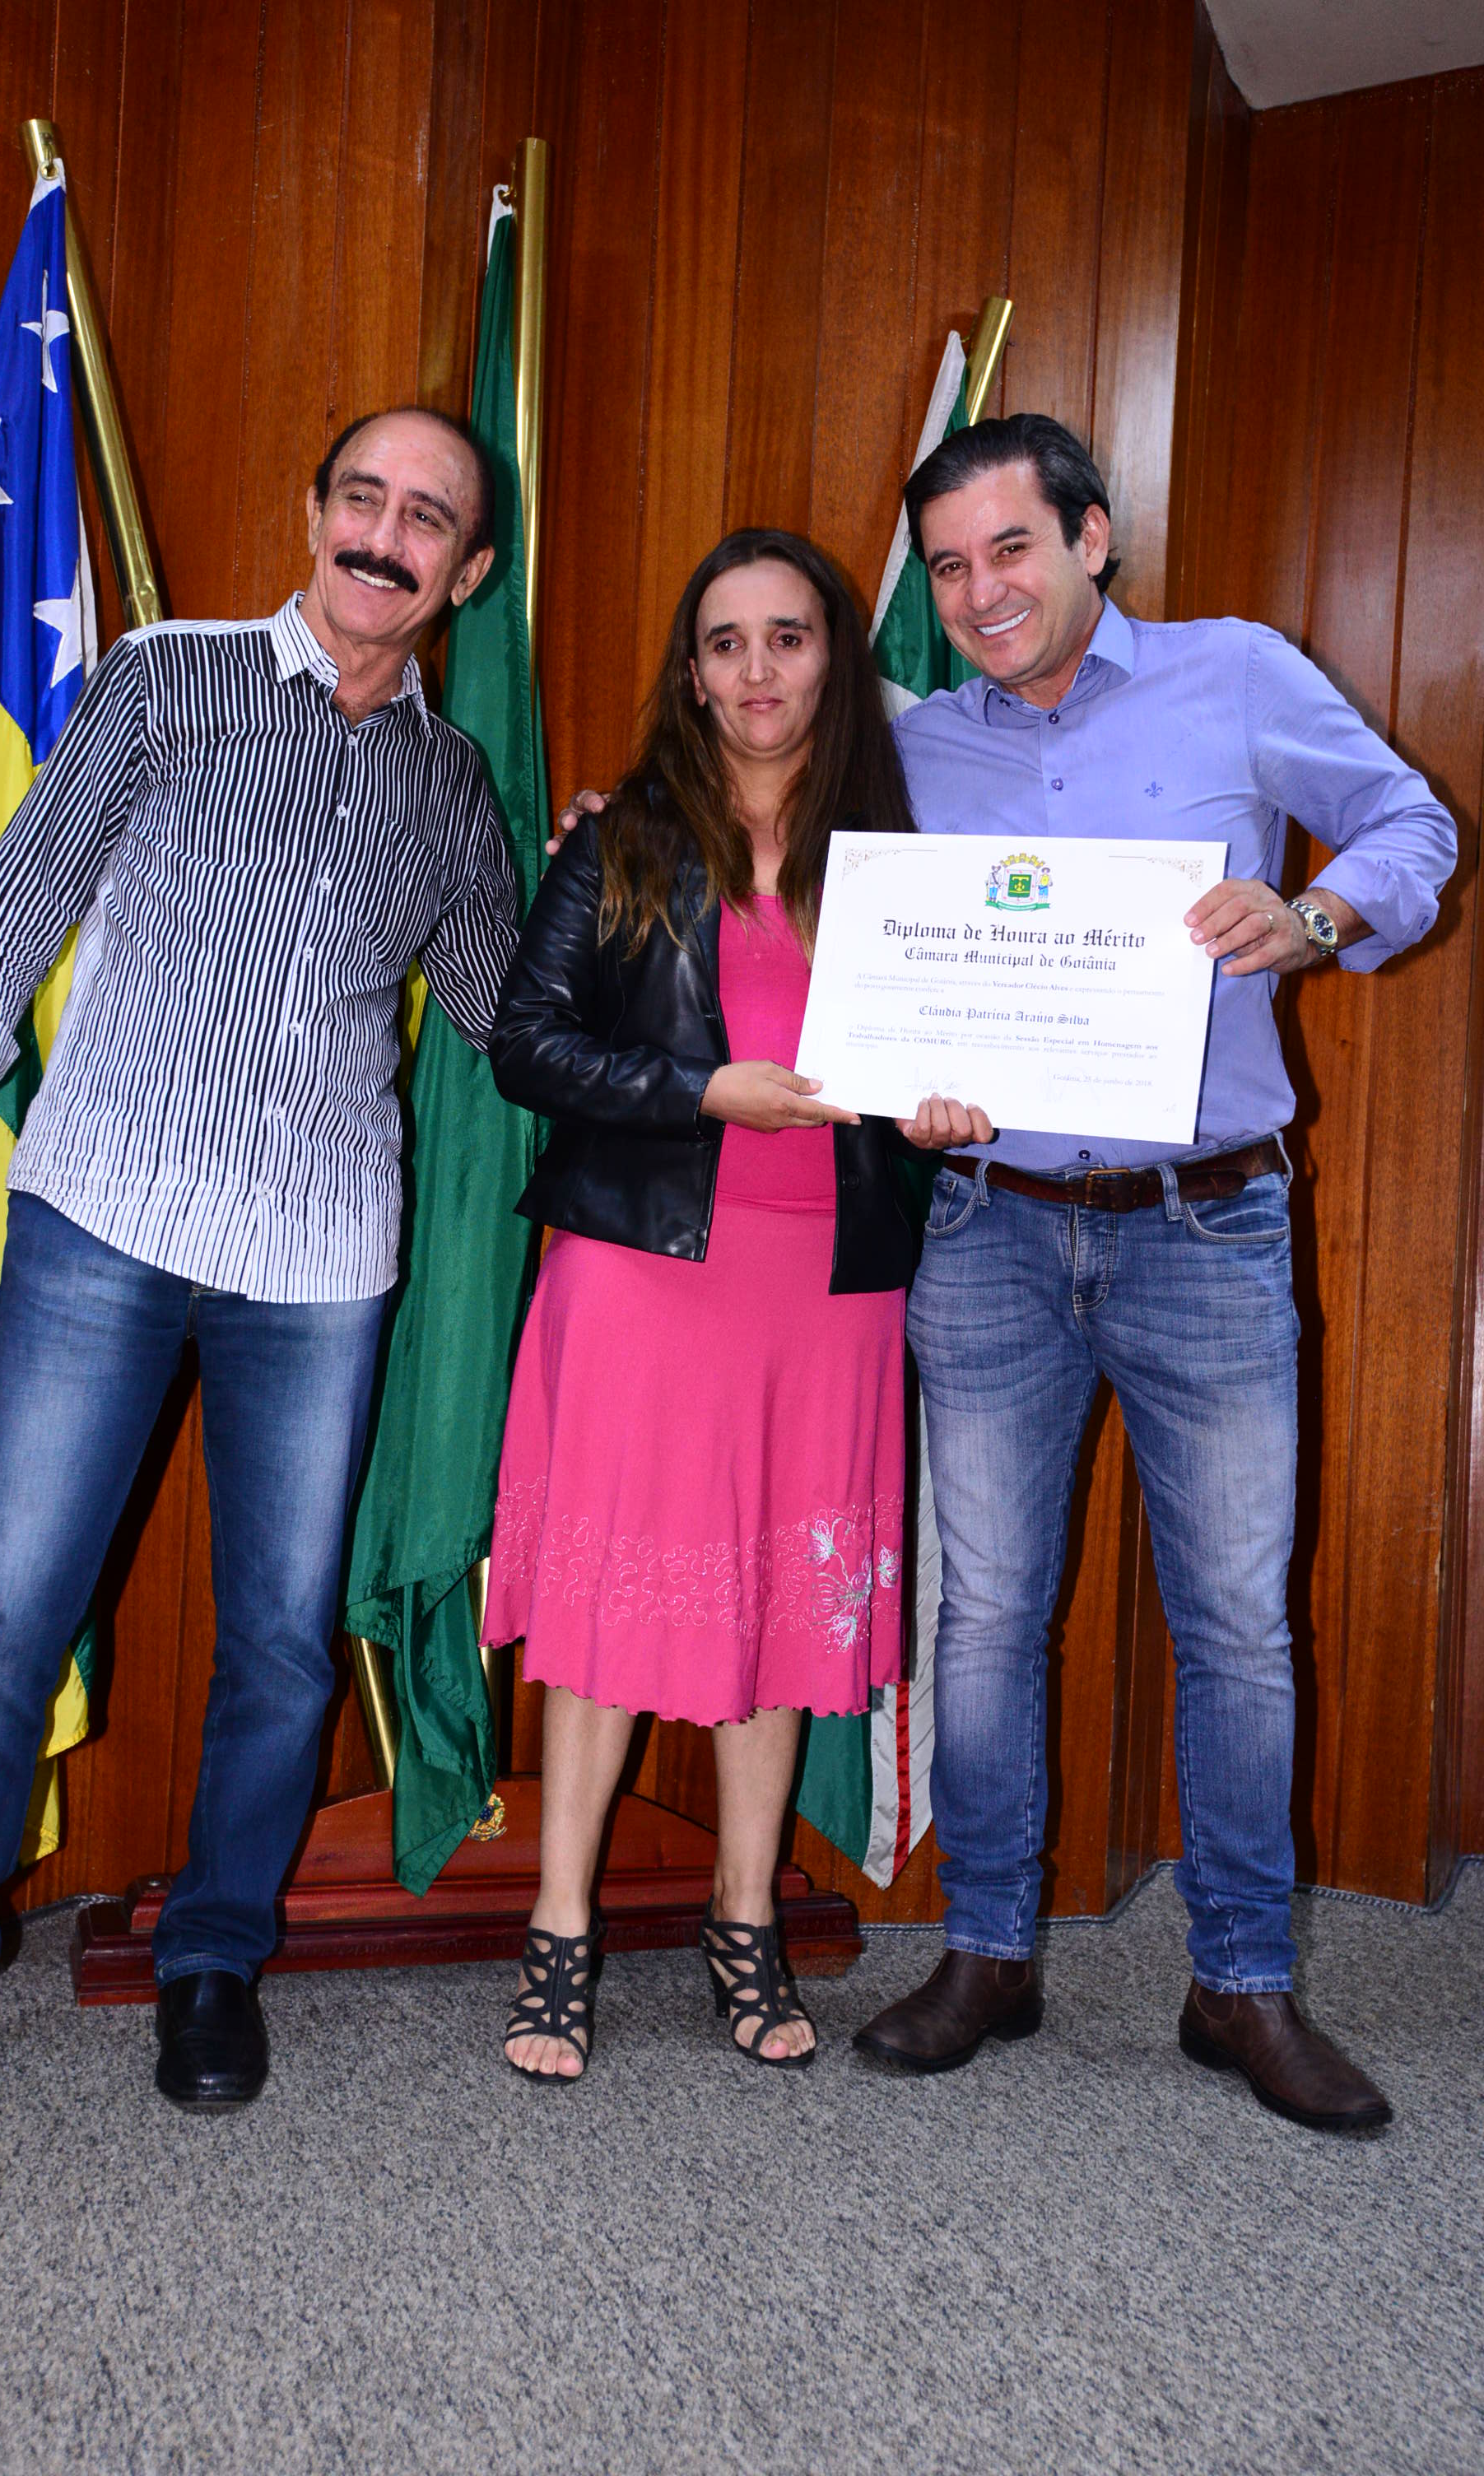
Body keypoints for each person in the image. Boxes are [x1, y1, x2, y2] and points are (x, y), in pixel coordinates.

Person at [0, 407, 518, 2118]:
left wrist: (600, 885)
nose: (383, 536)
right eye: (362, 497)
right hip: (104, 1219)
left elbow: (506, 1015)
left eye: (426, 518)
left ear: (465, 572)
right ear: (313, 509)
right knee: (11, 1603)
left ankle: (214, 1957)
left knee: (281, 1640)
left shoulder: (451, 785)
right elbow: (26, 883)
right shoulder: (165, 677)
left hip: (318, 1259)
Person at [848, 412, 1456, 2130]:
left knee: (1236, 1626)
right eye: (948, 567)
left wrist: (1315, 919)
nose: (979, 592)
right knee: (983, 1614)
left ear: (1090, 537)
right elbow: (797, 886)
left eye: (1009, 549)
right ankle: (988, 1951)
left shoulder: (1233, 673)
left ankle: (1239, 1983)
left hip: (1206, 1229)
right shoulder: (912, 746)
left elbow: (1411, 824)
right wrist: (908, 1083)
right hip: (985, 1229)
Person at [481, 529, 991, 2081]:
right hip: (644, 1273)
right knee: (606, 1608)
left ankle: (744, 1917)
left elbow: (951, 1055)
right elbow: (525, 1044)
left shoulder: (902, 858)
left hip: (829, 1290)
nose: (758, 669)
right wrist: (701, 1090)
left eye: (788, 636)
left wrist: (951, 1112)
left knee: (775, 1602)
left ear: (835, 657)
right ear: (691, 673)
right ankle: (560, 1929)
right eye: (726, 642)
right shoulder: (623, 837)